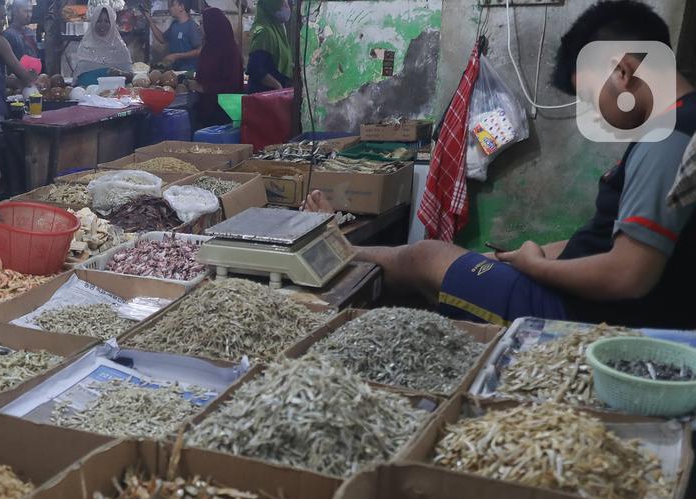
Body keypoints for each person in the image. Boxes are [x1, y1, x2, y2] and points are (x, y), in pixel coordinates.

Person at [305, 0, 695, 329]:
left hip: (581, 316)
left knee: (425, 257)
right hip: (586, 298)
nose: (595, 112)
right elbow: (608, 238)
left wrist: (536, 267)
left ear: (623, 71)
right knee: (470, 259)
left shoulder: (670, 137)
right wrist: (525, 257)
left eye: (591, 97)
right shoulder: (677, 125)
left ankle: (345, 252)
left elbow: (628, 274)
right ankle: (351, 254)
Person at [195, 8, 243, 127]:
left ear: (212, 25)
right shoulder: (207, 48)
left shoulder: (230, 50)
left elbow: (233, 85)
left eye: (201, 23)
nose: (199, 27)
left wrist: (205, 88)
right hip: (206, 110)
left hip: (223, 114)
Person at [73, 5, 134, 85]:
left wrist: (120, 73)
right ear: (93, 22)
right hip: (86, 95)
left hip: (113, 95)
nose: (102, 25)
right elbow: (78, 79)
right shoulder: (85, 47)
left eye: (107, 21)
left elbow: (131, 76)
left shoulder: (120, 48)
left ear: (112, 23)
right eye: (99, 21)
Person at [247, 0, 293, 92]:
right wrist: (277, 86)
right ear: (272, 6)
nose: (288, 8)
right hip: (265, 97)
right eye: (284, 4)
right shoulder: (265, 32)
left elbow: (274, 62)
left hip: (274, 95)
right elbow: (255, 68)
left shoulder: (277, 31)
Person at [147, 0, 202, 73]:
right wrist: (149, 20)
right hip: (175, 70)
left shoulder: (192, 26)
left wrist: (176, 55)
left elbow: (199, 50)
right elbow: (162, 39)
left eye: (172, 5)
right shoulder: (174, 25)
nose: (170, 8)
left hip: (188, 72)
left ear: (181, 7)